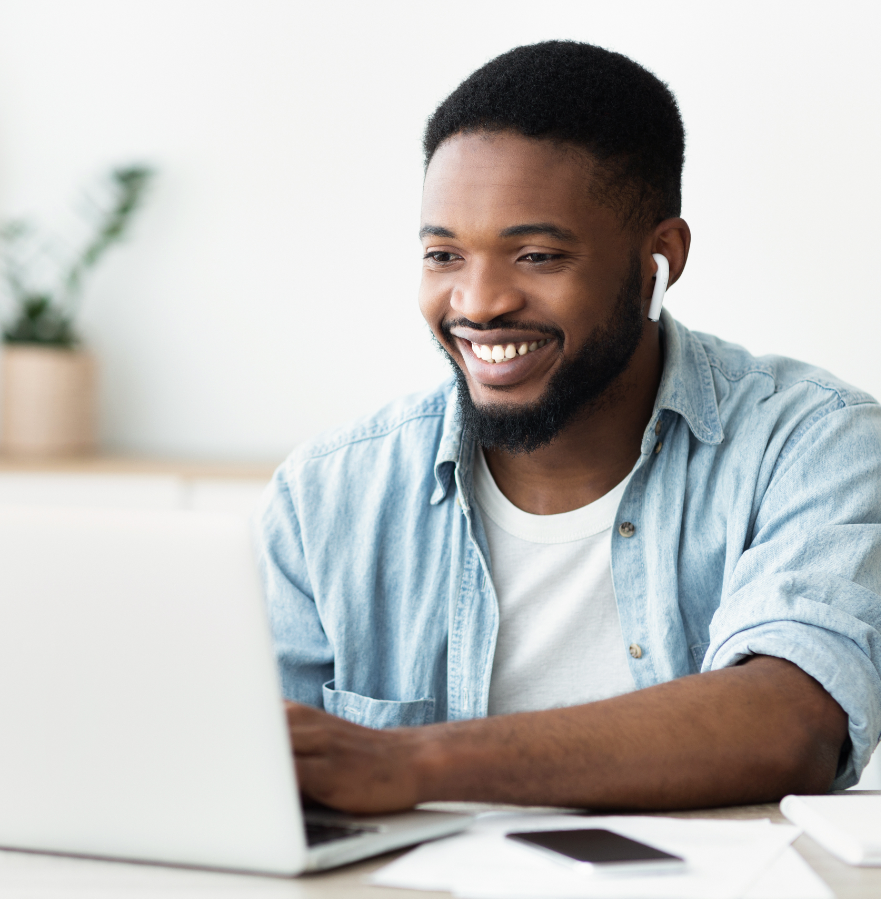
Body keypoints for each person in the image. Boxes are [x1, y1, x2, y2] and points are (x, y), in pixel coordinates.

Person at [258, 40, 881, 814]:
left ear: (659, 258)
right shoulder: (327, 494)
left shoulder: (813, 443)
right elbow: (249, 770)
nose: (478, 302)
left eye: (537, 254)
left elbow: (790, 722)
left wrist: (413, 760)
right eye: (444, 253)